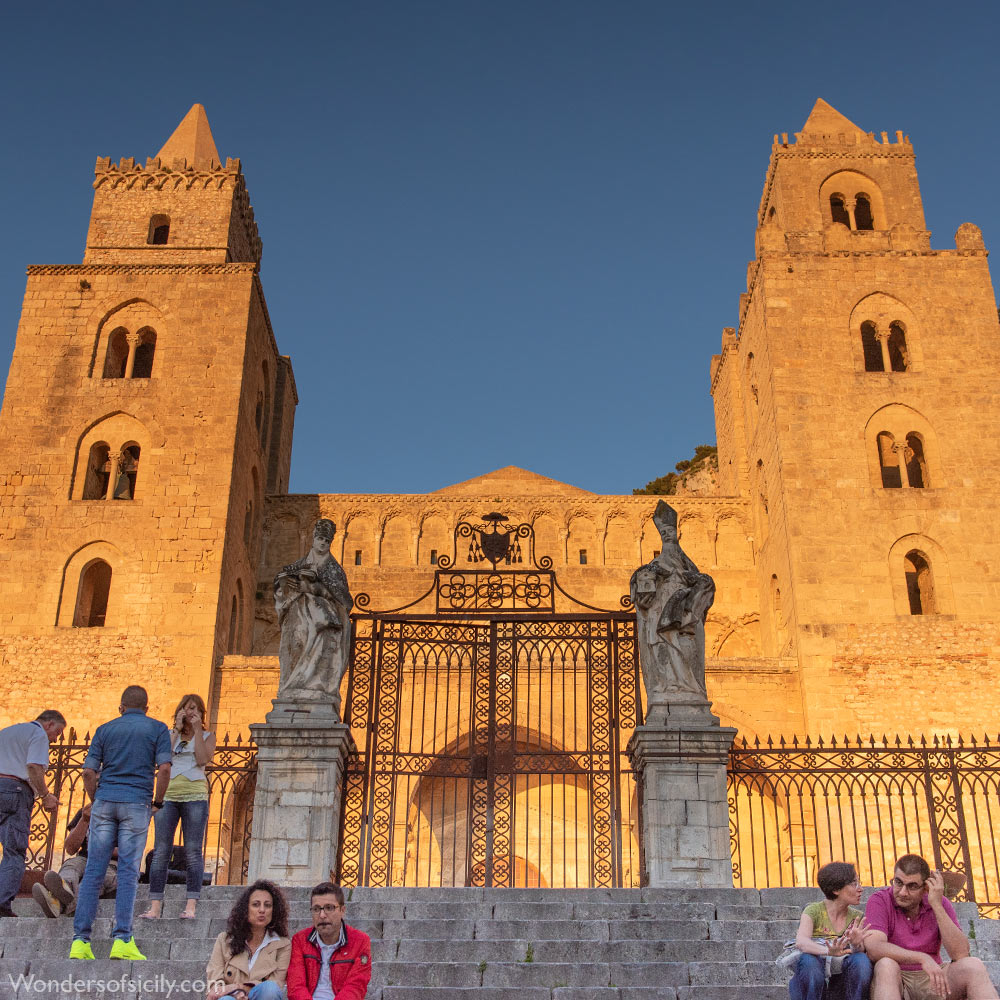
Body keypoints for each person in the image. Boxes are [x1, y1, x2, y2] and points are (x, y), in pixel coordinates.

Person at [69, 685, 171, 962]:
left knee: (93, 873)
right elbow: (164, 769)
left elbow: (88, 772)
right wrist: (158, 802)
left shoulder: (104, 730)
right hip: (137, 802)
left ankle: (80, 942)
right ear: (147, 708)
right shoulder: (158, 729)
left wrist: (97, 799)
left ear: (121, 708)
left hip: (105, 802)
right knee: (127, 873)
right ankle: (122, 940)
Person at [865, 853, 999, 999]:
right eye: (898, 882)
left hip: (934, 978)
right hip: (895, 978)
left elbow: (960, 954)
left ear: (925, 887)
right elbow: (874, 947)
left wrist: (936, 904)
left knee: (974, 966)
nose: (903, 892)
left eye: (912, 886)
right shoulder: (880, 900)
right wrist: (922, 958)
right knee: (885, 965)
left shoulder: (938, 902)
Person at [141, 693, 215, 919]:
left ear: (201, 713)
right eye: (186, 707)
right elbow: (162, 758)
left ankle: (191, 905)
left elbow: (203, 760)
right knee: (162, 850)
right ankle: (155, 906)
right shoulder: (169, 735)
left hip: (195, 795)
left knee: (193, 850)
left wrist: (198, 731)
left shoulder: (208, 735)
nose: (190, 711)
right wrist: (176, 729)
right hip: (169, 795)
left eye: (195, 708)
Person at [274, 519, 353, 716]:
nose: (323, 543)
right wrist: (286, 586)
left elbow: (345, 600)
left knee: (322, 646)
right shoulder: (298, 565)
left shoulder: (334, 570)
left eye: (327, 540)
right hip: (298, 620)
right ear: (313, 539)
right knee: (295, 646)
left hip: (324, 623)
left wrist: (314, 588)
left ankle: (317, 687)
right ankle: (293, 687)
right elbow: (279, 585)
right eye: (320, 539)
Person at [0, 710, 64, 917]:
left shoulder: (7, 732)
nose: (55, 740)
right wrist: (45, 795)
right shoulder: (37, 734)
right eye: (58, 733)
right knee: (14, 851)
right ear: (50, 725)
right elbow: (33, 766)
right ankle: (2, 904)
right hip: (15, 791)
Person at [787, 861, 872, 1000]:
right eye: (854, 883)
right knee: (809, 961)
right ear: (836, 890)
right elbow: (801, 942)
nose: (860, 888)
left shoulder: (857, 917)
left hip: (842, 979)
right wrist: (828, 951)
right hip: (814, 974)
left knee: (861, 960)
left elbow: (859, 952)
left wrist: (857, 944)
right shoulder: (813, 911)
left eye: (859, 882)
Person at [205, 879, 291, 1000]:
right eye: (256, 904)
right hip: (230, 997)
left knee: (270, 989)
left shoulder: (282, 945)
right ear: (246, 909)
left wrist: (239, 987)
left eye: (267, 905)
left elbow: (276, 984)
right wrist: (236, 993)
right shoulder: (224, 940)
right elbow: (215, 983)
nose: (262, 910)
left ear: (274, 910)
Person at [286, 882, 371, 1000]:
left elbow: (356, 986)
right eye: (316, 909)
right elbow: (296, 985)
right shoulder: (300, 940)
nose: (322, 915)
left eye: (329, 908)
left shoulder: (360, 941)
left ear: (342, 910)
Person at [32, 805, 117, 917]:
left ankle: (58, 904)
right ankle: (64, 888)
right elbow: (70, 848)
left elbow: (129, 851)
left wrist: (99, 846)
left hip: (111, 864)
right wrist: (84, 820)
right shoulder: (86, 811)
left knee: (95, 877)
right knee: (70, 865)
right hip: (83, 858)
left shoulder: (128, 814)